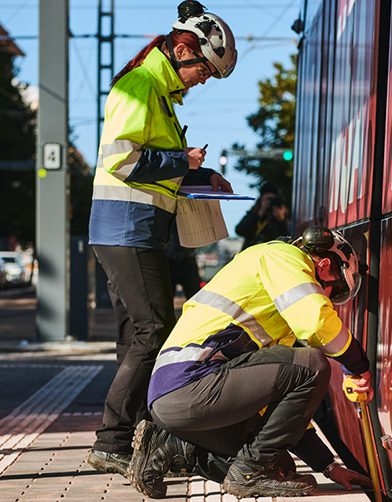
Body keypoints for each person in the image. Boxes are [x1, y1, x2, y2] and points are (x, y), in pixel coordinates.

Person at [85, 0, 235, 476]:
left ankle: (134, 437)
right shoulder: (139, 86)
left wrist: (202, 175)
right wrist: (181, 163)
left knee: (135, 334)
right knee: (155, 331)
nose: (204, 80)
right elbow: (121, 160)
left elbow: (153, 167)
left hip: (131, 228)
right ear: (184, 50)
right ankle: (113, 439)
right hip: (126, 228)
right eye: (206, 71)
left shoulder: (159, 93)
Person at [127, 226, 374, 498]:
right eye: (335, 290)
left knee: (281, 467)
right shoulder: (281, 257)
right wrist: (357, 366)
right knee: (314, 363)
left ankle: (167, 447)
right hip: (189, 386)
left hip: (176, 399)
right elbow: (317, 322)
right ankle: (248, 474)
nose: (329, 299)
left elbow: (283, 410)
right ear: (326, 266)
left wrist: (328, 466)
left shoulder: (275, 310)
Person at [235, 181, 289, 250]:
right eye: (267, 199)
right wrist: (259, 214)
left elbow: (286, 239)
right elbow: (239, 230)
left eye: (272, 199)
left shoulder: (279, 216)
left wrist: (281, 220)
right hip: (253, 252)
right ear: (261, 199)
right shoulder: (254, 214)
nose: (269, 202)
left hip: (272, 253)